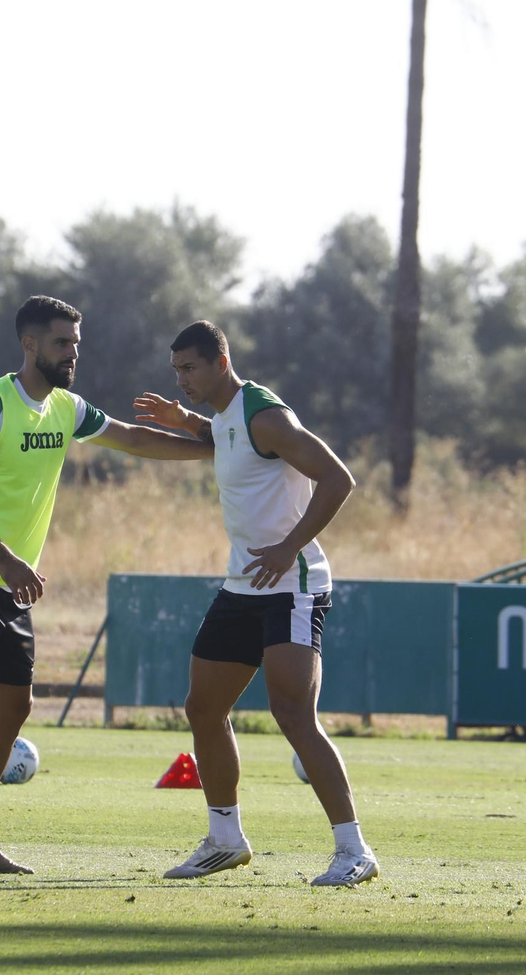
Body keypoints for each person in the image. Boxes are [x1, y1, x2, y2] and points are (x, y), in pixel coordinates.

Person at [0, 295, 213, 878]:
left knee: (14, 703)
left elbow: (132, 439)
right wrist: (7, 560)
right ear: (29, 344)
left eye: (77, 344)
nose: (73, 354)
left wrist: (216, 447)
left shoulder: (66, 407)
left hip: (9, 583)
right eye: (63, 343)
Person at [132, 320, 379, 887]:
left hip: (291, 583)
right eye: (176, 370)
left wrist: (289, 547)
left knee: (292, 714)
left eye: (189, 368)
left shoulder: (266, 416)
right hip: (242, 585)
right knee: (202, 708)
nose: (181, 379)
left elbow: (339, 479)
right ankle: (225, 839)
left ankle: (354, 850)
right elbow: (226, 437)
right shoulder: (225, 417)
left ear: (221, 361)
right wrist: (186, 421)